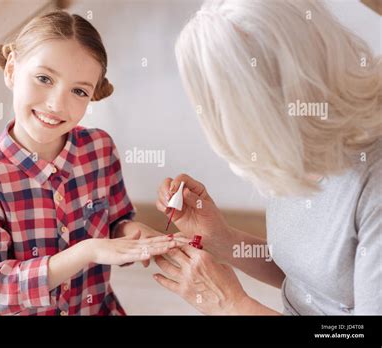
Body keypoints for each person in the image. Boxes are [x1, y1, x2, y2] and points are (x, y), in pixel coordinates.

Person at [153, 0, 381, 315]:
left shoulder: (373, 184)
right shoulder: (300, 145)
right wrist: (224, 241)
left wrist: (232, 304)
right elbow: (314, 283)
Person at [0, 10, 179, 316]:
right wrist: (86, 251)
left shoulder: (100, 148)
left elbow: (116, 224)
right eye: (44, 78)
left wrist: (130, 234)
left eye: (78, 91)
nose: (57, 104)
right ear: (11, 70)